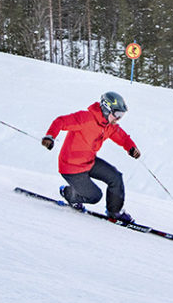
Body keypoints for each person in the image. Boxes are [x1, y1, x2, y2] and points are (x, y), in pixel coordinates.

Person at [41, 91, 141, 222]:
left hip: (89, 162)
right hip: (71, 167)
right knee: (95, 196)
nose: (118, 118)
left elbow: (122, 136)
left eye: (121, 115)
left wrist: (131, 147)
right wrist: (50, 136)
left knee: (115, 177)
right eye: (117, 114)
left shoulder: (109, 126)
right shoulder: (85, 118)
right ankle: (68, 193)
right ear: (106, 109)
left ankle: (114, 212)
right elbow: (61, 121)